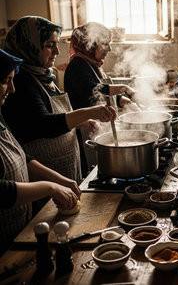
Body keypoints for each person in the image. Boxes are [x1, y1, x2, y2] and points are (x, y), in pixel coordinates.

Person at [1, 16, 116, 184]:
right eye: (49, 45)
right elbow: (42, 124)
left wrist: (82, 122)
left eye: (56, 44)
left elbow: (55, 113)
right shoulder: (20, 82)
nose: (57, 51)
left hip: (64, 165)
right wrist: (89, 112)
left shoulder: (45, 75)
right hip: (44, 176)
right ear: (29, 45)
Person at [0, 49, 81, 255]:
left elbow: (21, 156)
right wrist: (50, 188)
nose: (12, 89)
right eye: (5, 81)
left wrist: (59, 179)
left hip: (19, 228)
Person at [63, 22, 137, 175]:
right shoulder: (77, 65)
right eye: (105, 44)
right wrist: (124, 88)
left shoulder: (93, 64)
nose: (109, 49)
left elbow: (101, 95)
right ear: (90, 44)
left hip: (101, 129)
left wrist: (122, 100)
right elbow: (91, 90)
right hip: (87, 132)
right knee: (94, 171)